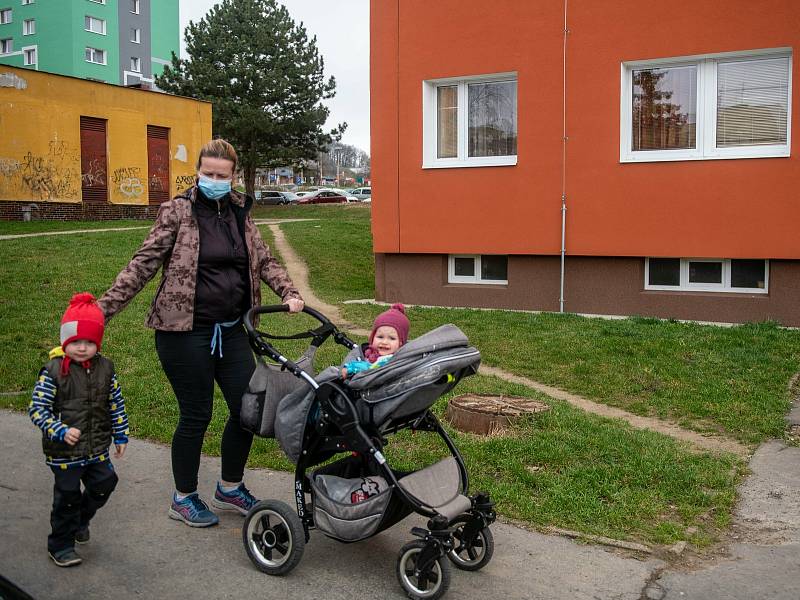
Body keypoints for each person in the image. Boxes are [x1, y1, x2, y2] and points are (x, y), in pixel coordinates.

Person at [97, 139, 304, 528]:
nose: (213, 180)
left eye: (220, 176)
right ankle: (184, 497)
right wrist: (101, 311)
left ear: (233, 177)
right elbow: (142, 264)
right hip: (184, 332)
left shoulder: (241, 212)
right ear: (197, 172)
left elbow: (264, 261)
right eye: (207, 174)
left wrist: (290, 292)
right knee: (197, 414)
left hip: (233, 330)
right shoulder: (177, 211)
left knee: (248, 410)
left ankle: (229, 486)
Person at [29, 293, 129, 567]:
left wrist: (121, 434)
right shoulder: (52, 372)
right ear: (65, 341)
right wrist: (60, 430)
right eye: (75, 342)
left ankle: (80, 521)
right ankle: (60, 545)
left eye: (89, 342)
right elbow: (37, 410)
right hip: (64, 453)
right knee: (67, 499)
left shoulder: (106, 369)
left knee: (105, 483)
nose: (82, 348)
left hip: (96, 448)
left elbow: (115, 403)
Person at [341, 303, 410, 378]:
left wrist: (350, 368)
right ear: (372, 338)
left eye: (392, 338)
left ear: (401, 343)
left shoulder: (390, 360)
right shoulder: (369, 353)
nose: (384, 342)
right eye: (380, 337)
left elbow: (369, 369)